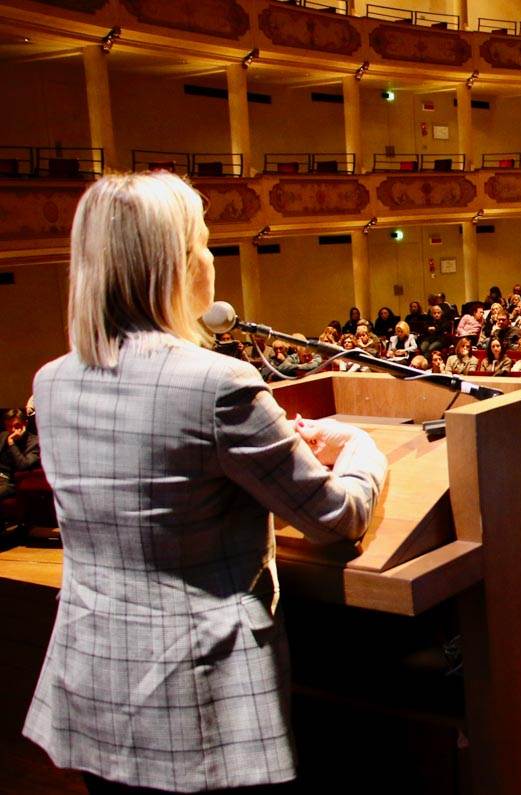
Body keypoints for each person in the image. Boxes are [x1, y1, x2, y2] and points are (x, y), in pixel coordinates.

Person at [22, 173, 388, 793]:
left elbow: (156, 490)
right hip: (197, 695)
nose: (209, 258)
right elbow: (334, 518)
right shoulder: (217, 383)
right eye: (202, 242)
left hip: (92, 677)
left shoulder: (52, 381)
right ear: (172, 264)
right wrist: (359, 447)